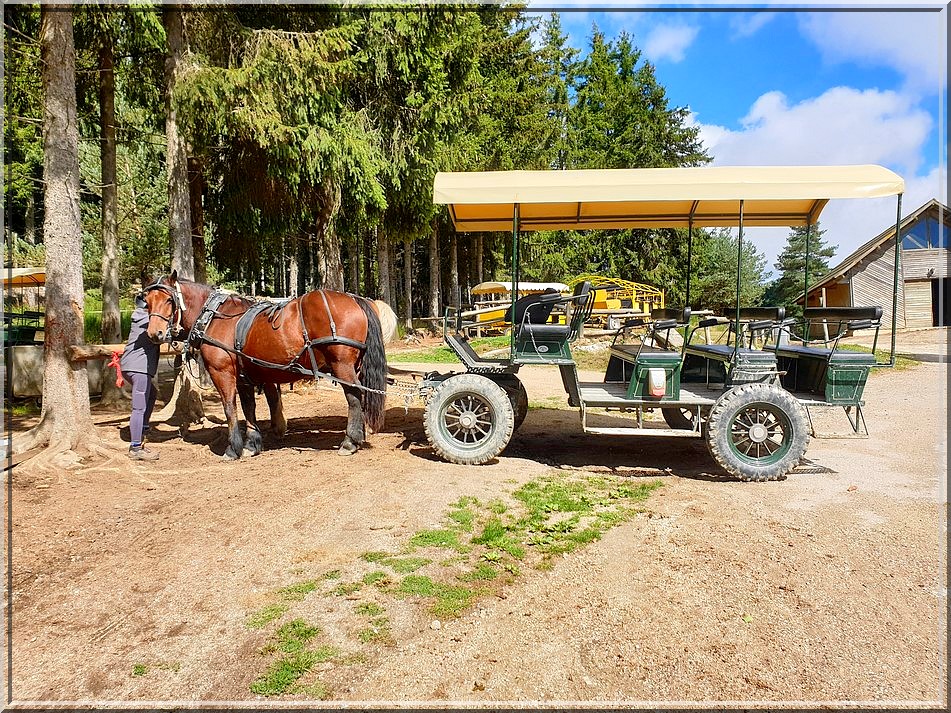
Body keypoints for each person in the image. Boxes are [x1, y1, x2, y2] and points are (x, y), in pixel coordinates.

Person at [120, 293, 160, 460]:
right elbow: (160, 334)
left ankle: (143, 427)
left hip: (131, 366)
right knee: (139, 407)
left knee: (152, 395)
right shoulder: (147, 320)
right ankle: (135, 448)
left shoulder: (139, 317)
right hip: (139, 368)